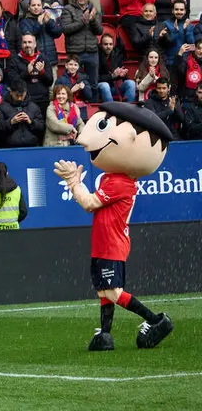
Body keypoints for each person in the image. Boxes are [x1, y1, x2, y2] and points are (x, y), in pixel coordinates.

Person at [54, 102, 175, 350]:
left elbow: (89, 203)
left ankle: (156, 321)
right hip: (104, 243)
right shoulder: (114, 178)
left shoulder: (119, 182)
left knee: (113, 292)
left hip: (111, 245)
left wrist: (73, 182)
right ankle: (105, 335)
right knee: (103, 292)